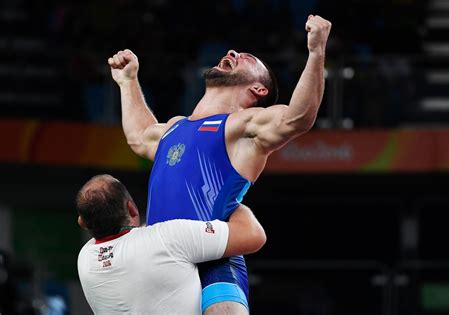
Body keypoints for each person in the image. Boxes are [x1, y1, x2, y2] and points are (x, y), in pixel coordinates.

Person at [108, 14, 331, 314]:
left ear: (258, 90)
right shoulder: (175, 128)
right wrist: (128, 81)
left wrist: (316, 52)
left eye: (246, 58)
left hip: (213, 266)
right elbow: (139, 137)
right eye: (233, 53)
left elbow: (298, 117)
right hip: (162, 265)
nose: (232, 54)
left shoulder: (245, 126)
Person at [76, 174, 265, 314]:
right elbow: (252, 235)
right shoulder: (167, 237)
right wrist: (228, 201)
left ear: (82, 222)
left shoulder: (85, 259)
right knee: (220, 259)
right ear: (132, 208)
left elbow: (132, 245)